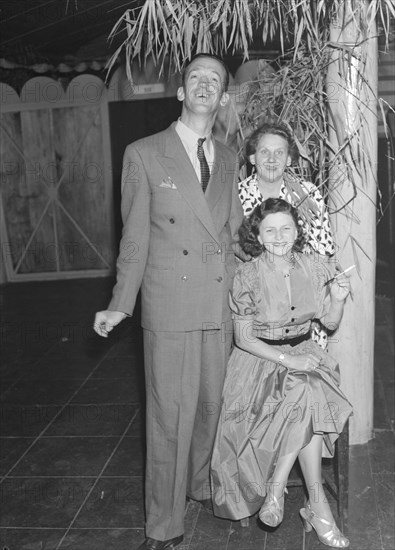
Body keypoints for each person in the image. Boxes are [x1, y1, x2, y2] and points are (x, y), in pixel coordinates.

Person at [93, 53, 244, 550]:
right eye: (194, 77)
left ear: (222, 98)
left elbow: (234, 235)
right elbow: (133, 236)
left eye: (214, 80)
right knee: (167, 416)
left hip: (217, 302)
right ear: (181, 92)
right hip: (171, 301)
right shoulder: (143, 153)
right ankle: (164, 523)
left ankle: (199, 484)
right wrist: (121, 301)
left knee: (210, 406)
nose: (203, 84)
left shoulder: (227, 157)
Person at [211, 198, 352, 548]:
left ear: (296, 230)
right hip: (260, 361)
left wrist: (337, 298)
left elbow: (330, 323)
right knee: (308, 390)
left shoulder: (315, 267)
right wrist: (290, 361)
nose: (279, 236)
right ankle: (317, 507)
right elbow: (243, 338)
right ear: (257, 235)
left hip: (305, 353)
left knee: (306, 389)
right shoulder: (247, 274)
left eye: (286, 228)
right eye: (270, 229)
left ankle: (277, 489)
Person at [239, 121, 336, 349]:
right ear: (252, 158)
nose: (272, 159)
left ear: (289, 159)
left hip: (303, 309)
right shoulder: (236, 196)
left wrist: (318, 298)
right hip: (258, 310)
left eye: (279, 152)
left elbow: (324, 253)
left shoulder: (308, 194)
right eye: (264, 152)